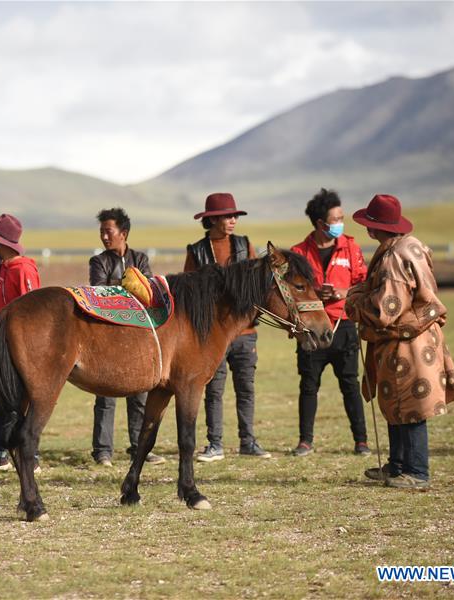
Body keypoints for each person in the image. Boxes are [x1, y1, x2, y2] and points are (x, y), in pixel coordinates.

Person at [345, 194, 454, 489]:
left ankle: (417, 472)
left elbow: (385, 310)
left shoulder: (393, 258)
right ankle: (398, 466)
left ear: (375, 228)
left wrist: (354, 301)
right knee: (396, 401)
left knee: (410, 405)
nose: (367, 231)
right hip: (415, 337)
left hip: (406, 341)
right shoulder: (410, 246)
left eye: (369, 226)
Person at [185, 192, 271, 461]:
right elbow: (189, 289)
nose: (233, 220)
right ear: (212, 220)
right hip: (213, 334)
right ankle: (215, 444)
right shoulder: (197, 251)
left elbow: (260, 285)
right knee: (214, 389)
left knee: (246, 387)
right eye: (228, 216)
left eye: (235, 216)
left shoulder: (246, 245)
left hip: (245, 332)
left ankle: (248, 441)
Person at [289, 189, 370, 457]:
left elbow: (364, 283)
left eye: (341, 218)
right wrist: (316, 293)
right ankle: (305, 441)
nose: (340, 223)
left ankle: (361, 441)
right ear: (320, 224)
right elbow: (291, 289)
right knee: (308, 384)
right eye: (335, 219)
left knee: (350, 383)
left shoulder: (351, 247)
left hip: (343, 325)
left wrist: (343, 293)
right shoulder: (298, 252)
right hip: (312, 328)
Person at [89, 207, 165, 467]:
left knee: (140, 392)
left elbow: (150, 292)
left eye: (108, 232)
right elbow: (99, 294)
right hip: (108, 335)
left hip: (137, 336)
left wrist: (131, 290)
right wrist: (129, 289)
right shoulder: (98, 262)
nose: (104, 237)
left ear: (123, 233)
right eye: (101, 232)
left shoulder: (140, 259)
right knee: (106, 394)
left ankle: (139, 447)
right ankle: (102, 451)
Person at [0, 213, 41, 472]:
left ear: (0, 242)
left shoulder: (23, 270)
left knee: (15, 398)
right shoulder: (3, 266)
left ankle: (27, 454)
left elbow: (32, 309)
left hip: (17, 343)